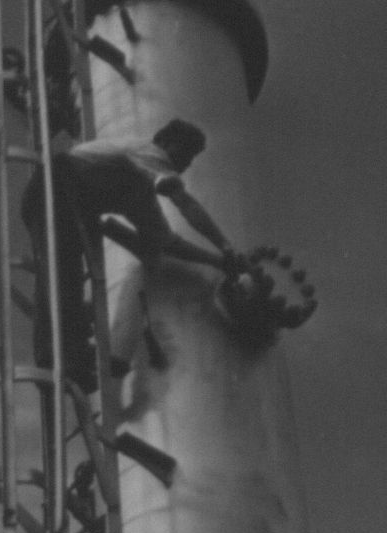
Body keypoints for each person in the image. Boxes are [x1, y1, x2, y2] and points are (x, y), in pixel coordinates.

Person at [21, 118, 249, 392]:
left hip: (68, 199)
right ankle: (59, 357)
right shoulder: (149, 152)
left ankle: (71, 357)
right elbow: (184, 202)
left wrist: (217, 261)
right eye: (187, 154)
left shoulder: (139, 190)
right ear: (166, 143)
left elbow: (168, 243)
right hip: (58, 185)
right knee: (62, 273)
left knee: (66, 276)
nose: (187, 164)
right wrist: (224, 244)